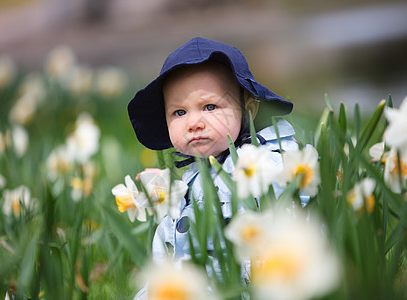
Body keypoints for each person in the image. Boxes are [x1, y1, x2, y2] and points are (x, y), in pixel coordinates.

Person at [127, 37, 301, 298]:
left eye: (210, 107)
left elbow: (293, 221)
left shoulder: (265, 163)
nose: (193, 123)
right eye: (179, 113)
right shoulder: (195, 175)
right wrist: (167, 192)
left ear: (248, 111)